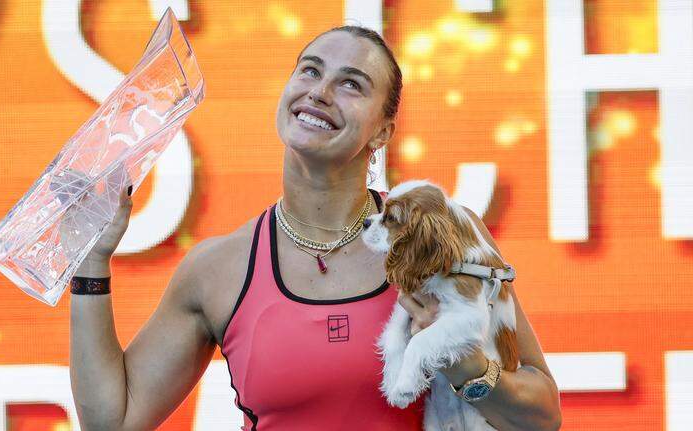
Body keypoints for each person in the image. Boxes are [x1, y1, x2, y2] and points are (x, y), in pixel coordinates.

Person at [69, 26, 562, 430]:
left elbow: (541, 417)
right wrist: (91, 262)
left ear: (383, 131)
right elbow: (112, 422)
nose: (320, 92)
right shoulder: (216, 269)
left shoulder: (440, 235)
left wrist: (469, 368)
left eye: (352, 83)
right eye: (310, 70)